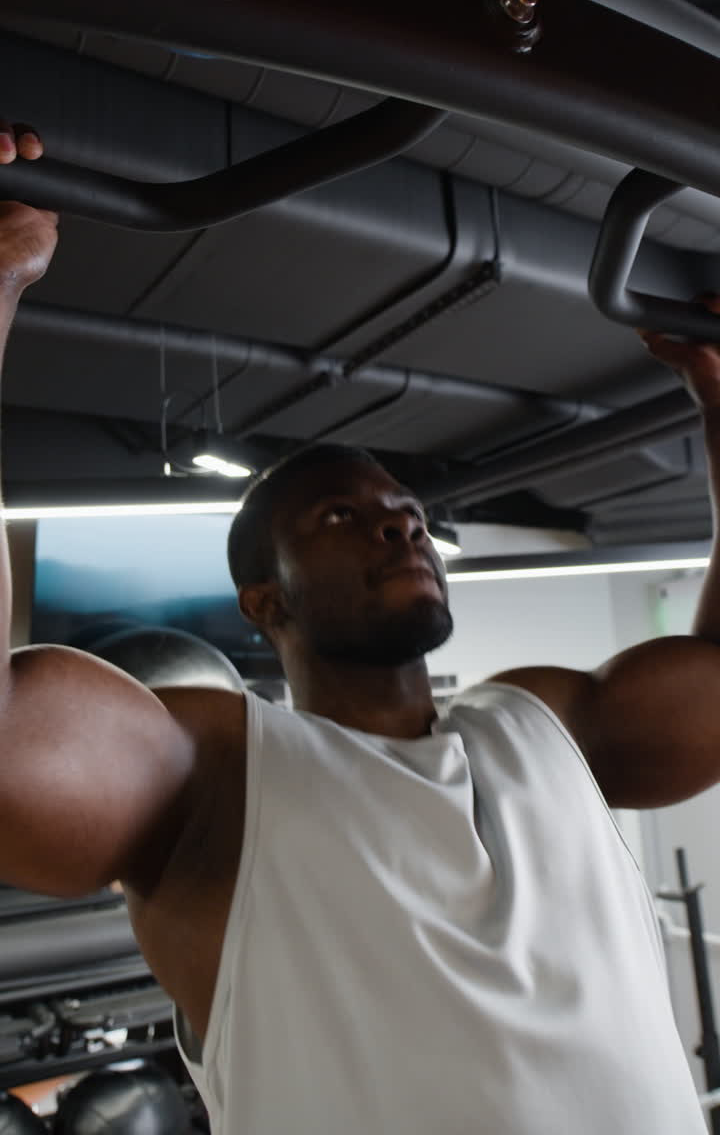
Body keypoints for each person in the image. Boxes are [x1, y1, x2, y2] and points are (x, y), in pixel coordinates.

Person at [0, 121, 716, 1134]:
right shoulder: (208, 769)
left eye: (409, 514)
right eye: (341, 517)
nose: (397, 522)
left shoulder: (546, 720)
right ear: (265, 600)